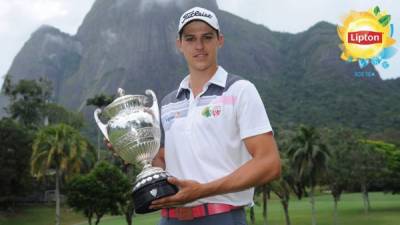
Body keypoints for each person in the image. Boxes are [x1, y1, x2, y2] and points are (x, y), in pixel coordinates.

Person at [149, 6, 281, 225]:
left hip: (222, 217)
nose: (199, 46)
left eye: (206, 37)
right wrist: (132, 149)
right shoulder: (168, 103)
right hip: (170, 219)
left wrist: (202, 191)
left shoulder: (240, 90)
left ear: (219, 40)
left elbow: (269, 163)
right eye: (190, 39)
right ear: (179, 44)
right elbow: (163, 162)